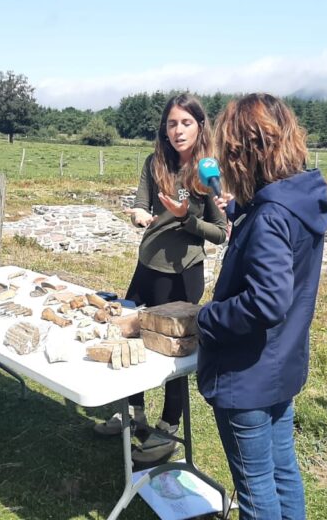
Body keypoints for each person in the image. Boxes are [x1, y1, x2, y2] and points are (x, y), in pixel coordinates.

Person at [196, 93, 327, 519]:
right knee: (283, 474)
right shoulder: (298, 200)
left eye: (229, 151)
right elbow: (275, 235)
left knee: (256, 495)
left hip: (247, 377)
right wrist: (243, 211)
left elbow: (267, 302)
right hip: (282, 366)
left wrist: (207, 317)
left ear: (245, 153)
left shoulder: (271, 216)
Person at [93, 94, 227, 468]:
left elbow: (220, 233)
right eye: (172, 123)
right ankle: (131, 413)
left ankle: (167, 429)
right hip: (147, 265)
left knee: (172, 354)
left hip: (183, 276)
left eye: (186, 122)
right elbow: (140, 203)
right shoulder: (155, 163)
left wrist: (186, 220)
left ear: (200, 126)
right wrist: (138, 213)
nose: (178, 129)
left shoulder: (208, 172)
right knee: (131, 334)